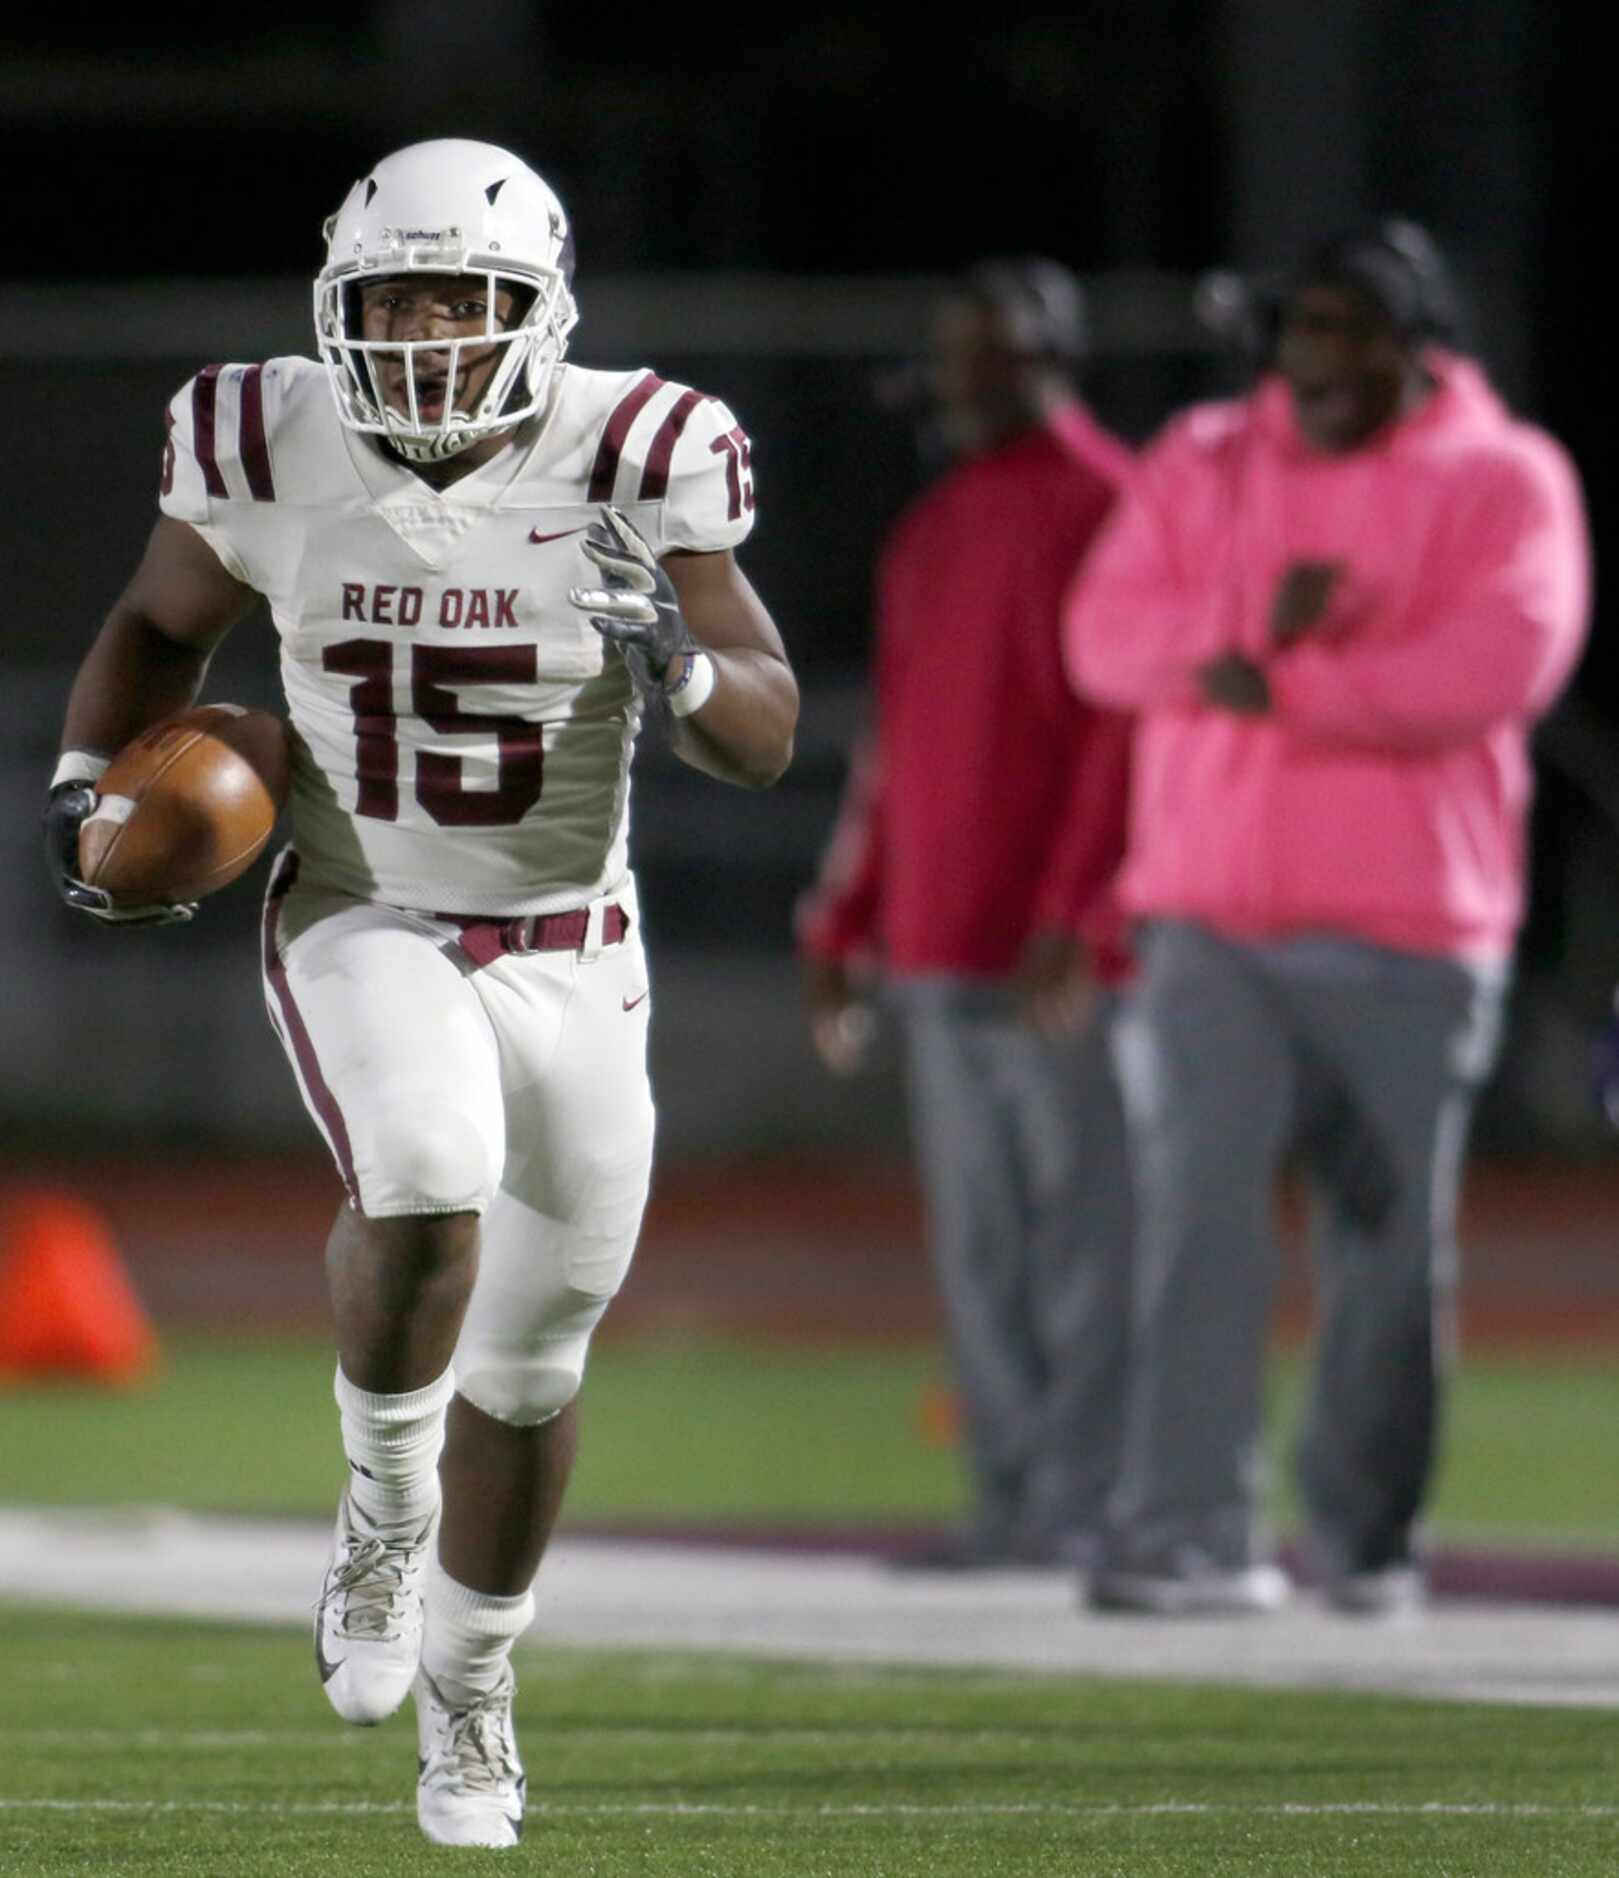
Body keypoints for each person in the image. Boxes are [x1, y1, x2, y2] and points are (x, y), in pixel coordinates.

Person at [42, 138, 797, 1848]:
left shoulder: (641, 449)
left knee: (529, 1370)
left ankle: (477, 1691)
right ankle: (385, 1501)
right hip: (364, 901)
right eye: (390, 301)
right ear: (334, 303)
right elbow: (164, 620)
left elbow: (767, 724)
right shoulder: (265, 436)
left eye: (464, 303)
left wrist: (678, 665)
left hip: (575, 947)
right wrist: (86, 781)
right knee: (428, 1172)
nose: (425, 337)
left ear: (539, 310)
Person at [1064, 218, 1590, 1617]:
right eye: (1308, 328)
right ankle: (1185, 1534)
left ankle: (1362, 1542)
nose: (1326, 359)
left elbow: (1494, 666)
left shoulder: (1508, 477)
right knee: (1197, 1234)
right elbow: (1103, 636)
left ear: (1421, 343)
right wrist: (1234, 646)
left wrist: (1283, 687)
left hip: (1411, 929)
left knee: (1388, 1259)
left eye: (1357, 329)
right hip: (1208, 922)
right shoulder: (1203, 455)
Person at [796, 258, 1135, 1571]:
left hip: (1061, 951)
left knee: (1090, 1246)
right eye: (958, 353)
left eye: (994, 351)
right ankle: (1010, 1504)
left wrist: (1080, 905)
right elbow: (895, 750)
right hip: (941, 939)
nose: (969, 378)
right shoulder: (933, 528)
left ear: (1054, 355)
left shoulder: (1117, 504)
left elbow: (1128, 737)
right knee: (986, 1249)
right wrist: (843, 921)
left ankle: (1089, 1505)